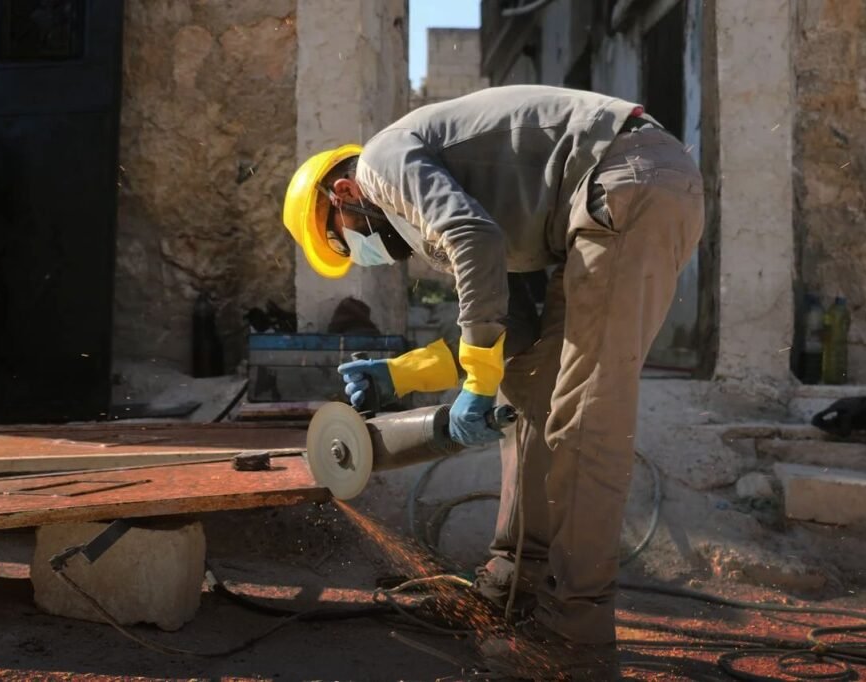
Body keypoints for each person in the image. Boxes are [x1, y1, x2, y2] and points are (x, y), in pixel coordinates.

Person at [282, 85, 704, 678]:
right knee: (528, 388)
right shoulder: (458, 189)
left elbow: (474, 240)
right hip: (614, 193)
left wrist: (474, 384)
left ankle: (576, 640)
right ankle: (512, 585)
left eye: (342, 235)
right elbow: (517, 325)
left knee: (585, 419)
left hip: (627, 185)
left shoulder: (380, 162)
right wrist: (402, 373)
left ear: (345, 191)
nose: (358, 251)